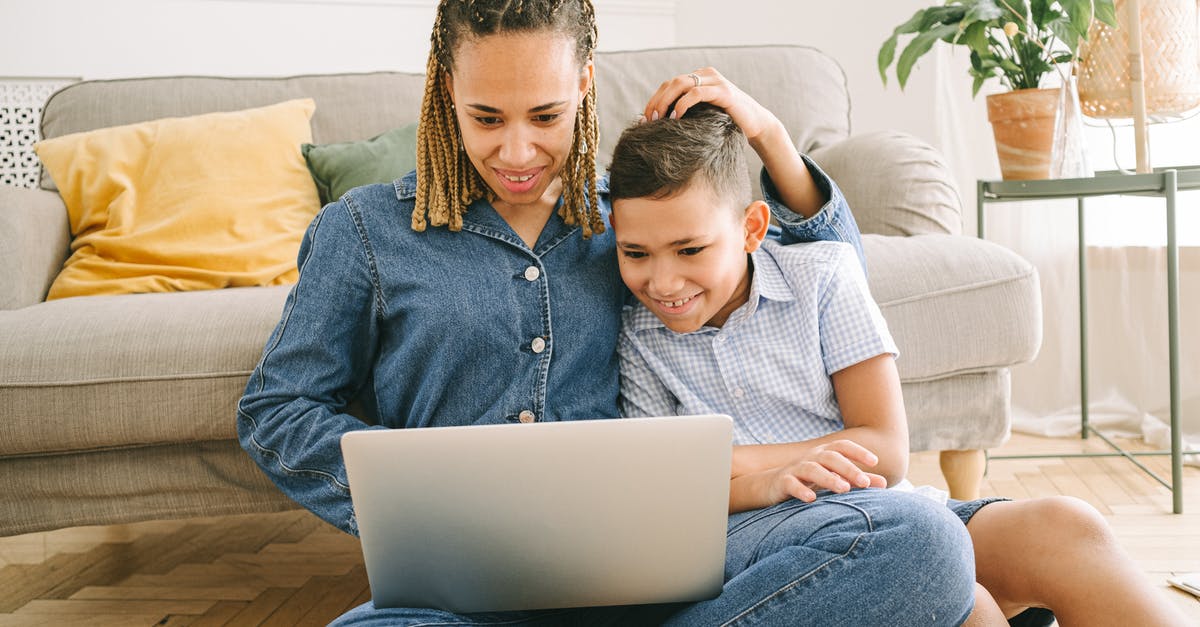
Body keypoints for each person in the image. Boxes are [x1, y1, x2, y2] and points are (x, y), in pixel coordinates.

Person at [237, 0, 979, 624]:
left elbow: (822, 265)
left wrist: (766, 132)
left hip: (658, 576)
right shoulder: (366, 231)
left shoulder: (632, 227)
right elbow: (278, 408)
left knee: (923, 543)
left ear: (586, 85)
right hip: (455, 593)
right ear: (444, 86)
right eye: (486, 117)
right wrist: (413, 503)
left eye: (547, 114)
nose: (517, 148)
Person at [608, 97, 1191, 627]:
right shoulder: (635, 333)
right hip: (759, 537)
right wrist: (763, 480)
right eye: (635, 253)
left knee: (1068, 527)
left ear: (752, 228)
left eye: (690, 250)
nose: (662, 281)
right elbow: (673, 487)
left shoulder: (823, 276)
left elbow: (885, 451)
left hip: (892, 508)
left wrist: (747, 462)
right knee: (970, 606)